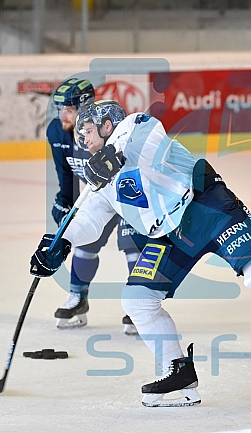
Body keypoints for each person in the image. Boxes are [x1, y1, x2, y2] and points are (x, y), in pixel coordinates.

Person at [30, 99, 251, 407]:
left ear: (107, 124)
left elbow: (150, 146)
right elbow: (90, 219)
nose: (83, 140)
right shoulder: (99, 175)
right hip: (167, 234)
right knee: (137, 300)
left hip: (205, 206)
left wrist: (113, 158)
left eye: (87, 131)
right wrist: (60, 242)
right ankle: (179, 375)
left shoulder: (136, 126)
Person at [48, 78, 147, 334]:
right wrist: (64, 201)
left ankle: (139, 306)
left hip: (126, 192)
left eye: (69, 110)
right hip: (98, 194)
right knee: (84, 242)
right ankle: (78, 298)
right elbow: (66, 172)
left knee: (132, 246)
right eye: (61, 109)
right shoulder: (56, 131)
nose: (63, 116)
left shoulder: (111, 128)